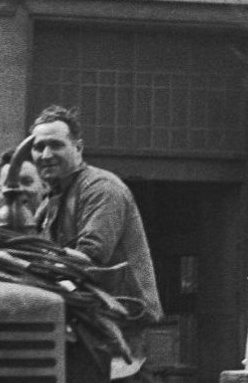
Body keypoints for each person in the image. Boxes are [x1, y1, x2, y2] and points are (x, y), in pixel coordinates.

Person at [28, 104, 161, 331]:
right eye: (39, 147)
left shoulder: (102, 189)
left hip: (120, 325)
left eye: (56, 145)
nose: (46, 155)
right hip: (85, 321)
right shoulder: (53, 197)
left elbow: (90, 259)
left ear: (78, 148)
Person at [0, 147, 51, 230]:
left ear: (44, 186)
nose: (17, 191)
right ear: (0, 191)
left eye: (26, 182)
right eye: (10, 185)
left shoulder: (58, 229)